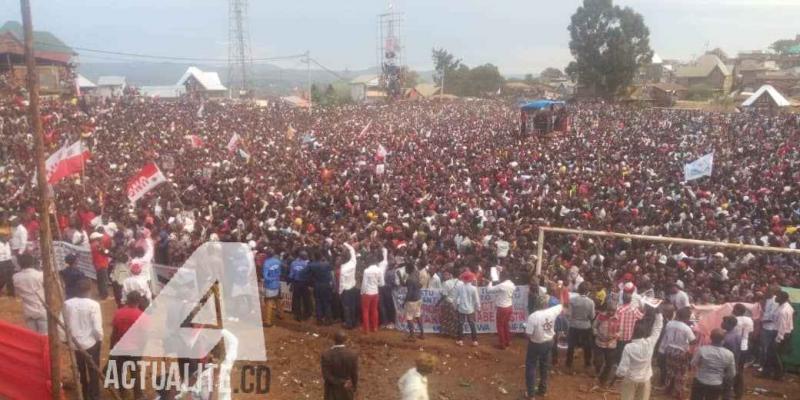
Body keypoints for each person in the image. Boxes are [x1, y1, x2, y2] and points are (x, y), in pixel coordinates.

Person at [63, 279, 103, 400]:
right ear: (89, 290)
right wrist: (99, 339)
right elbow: (97, 327)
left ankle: (84, 393)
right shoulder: (94, 305)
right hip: (91, 343)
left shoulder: (67, 304)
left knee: (80, 369)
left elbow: (62, 322)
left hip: (75, 344)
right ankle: (94, 395)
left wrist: (65, 339)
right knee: (93, 369)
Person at [616, 306, 664, 400]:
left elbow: (623, 368)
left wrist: (618, 374)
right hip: (645, 378)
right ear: (644, 333)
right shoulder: (650, 342)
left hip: (631, 378)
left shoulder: (628, 348)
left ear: (633, 333)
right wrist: (659, 314)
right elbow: (657, 328)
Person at [524, 293, 563, 399]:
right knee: (544, 366)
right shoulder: (552, 311)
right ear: (546, 304)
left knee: (531, 367)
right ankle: (543, 390)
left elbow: (528, 334)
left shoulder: (533, 316)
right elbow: (561, 305)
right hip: (549, 342)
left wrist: (526, 330)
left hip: (536, 344)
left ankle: (531, 394)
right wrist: (561, 291)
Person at [109, 291, 147, 400]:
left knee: (120, 370)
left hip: (120, 347)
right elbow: (144, 336)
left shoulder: (118, 313)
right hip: (135, 349)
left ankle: (122, 392)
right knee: (135, 372)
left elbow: (114, 332)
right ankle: (138, 395)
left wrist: (112, 347)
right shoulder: (141, 316)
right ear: (139, 301)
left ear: (127, 300)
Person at [659, 307, 697, 400]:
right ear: (687, 318)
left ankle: (668, 388)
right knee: (680, 373)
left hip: (670, 350)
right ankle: (678, 393)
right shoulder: (687, 328)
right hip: (681, 352)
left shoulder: (669, 324)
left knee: (670, 370)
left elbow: (666, 336)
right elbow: (692, 341)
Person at [690, 328, 736, 400]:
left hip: (700, 380)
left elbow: (693, 363)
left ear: (710, 338)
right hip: (716, 383)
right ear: (723, 340)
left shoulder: (702, 350)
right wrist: (722, 376)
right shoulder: (729, 354)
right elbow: (732, 374)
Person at [12, 254, 47, 334]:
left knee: (32, 336)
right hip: (41, 309)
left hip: (28, 310)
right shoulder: (40, 275)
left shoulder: (15, 277)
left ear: (19, 263)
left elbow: (17, 292)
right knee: (44, 337)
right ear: (32, 262)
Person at [763, 290, 794, 380]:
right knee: (773, 354)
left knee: (774, 354)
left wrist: (778, 339)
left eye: (778, 296)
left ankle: (778, 374)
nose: (776, 297)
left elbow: (782, 326)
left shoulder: (783, 311)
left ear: (782, 298)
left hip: (781, 334)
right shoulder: (786, 306)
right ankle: (769, 372)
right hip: (785, 333)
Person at [320, 330, 359, 400]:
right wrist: (354, 386)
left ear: (333, 340)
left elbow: (326, 375)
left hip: (331, 389)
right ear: (345, 340)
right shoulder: (352, 355)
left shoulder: (326, 355)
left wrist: (339, 382)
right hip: (347, 388)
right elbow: (354, 374)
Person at [566, 282, 595, 372]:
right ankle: (587, 363)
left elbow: (569, 314)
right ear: (587, 291)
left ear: (579, 290)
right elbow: (592, 316)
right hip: (586, 326)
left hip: (574, 325)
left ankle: (569, 363)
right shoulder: (590, 302)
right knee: (587, 346)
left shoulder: (572, 300)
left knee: (571, 345)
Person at [593, 301, 620, 388]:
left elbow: (620, 330)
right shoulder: (601, 316)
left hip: (611, 344)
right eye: (610, 310)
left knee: (609, 364)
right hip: (599, 343)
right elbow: (594, 327)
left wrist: (616, 335)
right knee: (598, 361)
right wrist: (596, 334)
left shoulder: (618, 318)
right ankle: (598, 372)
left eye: (613, 311)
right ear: (607, 309)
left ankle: (603, 380)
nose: (611, 313)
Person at [487, 269, 516, 349]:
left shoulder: (502, 285)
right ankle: (508, 341)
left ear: (503, 276)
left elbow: (489, 290)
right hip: (509, 306)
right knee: (506, 324)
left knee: (500, 326)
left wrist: (490, 281)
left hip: (502, 308)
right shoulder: (512, 284)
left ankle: (502, 344)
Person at [360, 248, 387, 333]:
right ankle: (375, 328)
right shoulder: (379, 270)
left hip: (367, 293)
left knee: (365, 311)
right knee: (374, 310)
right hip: (375, 292)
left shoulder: (366, 271)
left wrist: (362, 292)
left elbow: (364, 283)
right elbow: (382, 283)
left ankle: (366, 329)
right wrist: (376, 284)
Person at [308, 248, 335, 325]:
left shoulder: (312, 265)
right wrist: (333, 285)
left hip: (317, 286)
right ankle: (328, 320)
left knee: (318, 303)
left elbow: (309, 275)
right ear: (321, 256)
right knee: (327, 303)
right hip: (326, 286)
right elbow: (331, 274)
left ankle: (319, 320)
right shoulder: (326, 264)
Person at [455, 271, 480, 346]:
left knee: (460, 324)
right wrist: (478, 308)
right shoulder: (473, 288)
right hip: (470, 309)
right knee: (472, 324)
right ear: (470, 279)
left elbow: (455, 298)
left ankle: (460, 340)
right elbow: (476, 300)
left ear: (463, 279)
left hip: (461, 309)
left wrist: (455, 307)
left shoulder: (459, 287)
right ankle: (474, 341)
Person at [720, 316, 743, 400]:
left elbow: (732, 352)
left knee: (728, 383)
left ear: (730, 324)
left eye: (724, 322)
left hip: (728, 362)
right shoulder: (734, 334)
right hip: (733, 361)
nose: (722, 323)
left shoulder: (730, 337)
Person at [436, 268, 461, 338]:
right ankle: (455, 333)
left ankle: (446, 333)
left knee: (446, 318)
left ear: (451, 275)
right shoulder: (461, 283)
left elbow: (444, 295)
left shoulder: (447, 283)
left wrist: (438, 303)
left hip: (448, 303)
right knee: (455, 319)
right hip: (457, 303)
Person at [402, 263, 424, 341]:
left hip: (412, 300)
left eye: (406, 268)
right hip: (418, 298)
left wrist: (404, 301)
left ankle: (412, 335)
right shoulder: (416, 274)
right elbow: (419, 285)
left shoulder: (409, 279)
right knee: (418, 316)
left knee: (409, 317)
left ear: (409, 269)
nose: (405, 270)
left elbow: (409, 292)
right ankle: (422, 334)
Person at [289, 250, 312, 321]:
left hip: (296, 283)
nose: (307, 256)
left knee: (297, 299)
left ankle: (298, 315)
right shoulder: (307, 264)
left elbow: (291, 275)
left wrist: (291, 283)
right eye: (306, 255)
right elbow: (309, 275)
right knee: (306, 299)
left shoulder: (293, 263)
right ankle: (307, 315)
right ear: (303, 256)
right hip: (304, 283)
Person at [262, 250, 282, 327]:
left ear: (267, 255)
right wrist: (275, 278)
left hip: (270, 285)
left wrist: (271, 279)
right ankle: (280, 314)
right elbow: (279, 272)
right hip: (277, 283)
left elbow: (266, 276)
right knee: (277, 299)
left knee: (269, 302)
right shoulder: (278, 261)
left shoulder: (266, 263)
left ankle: (268, 321)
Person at [89, 232, 110, 299]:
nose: (101, 238)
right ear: (96, 238)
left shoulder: (93, 245)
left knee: (100, 280)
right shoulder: (97, 245)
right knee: (104, 280)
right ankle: (105, 295)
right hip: (101, 264)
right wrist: (106, 249)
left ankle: (101, 293)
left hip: (98, 264)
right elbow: (106, 252)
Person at [0, 232, 14, 296]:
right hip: (1, 262)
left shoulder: (8, 243)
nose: (8, 237)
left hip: (9, 261)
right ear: (2, 237)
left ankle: (11, 293)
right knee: (3, 278)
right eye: (7, 236)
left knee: (10, 278)